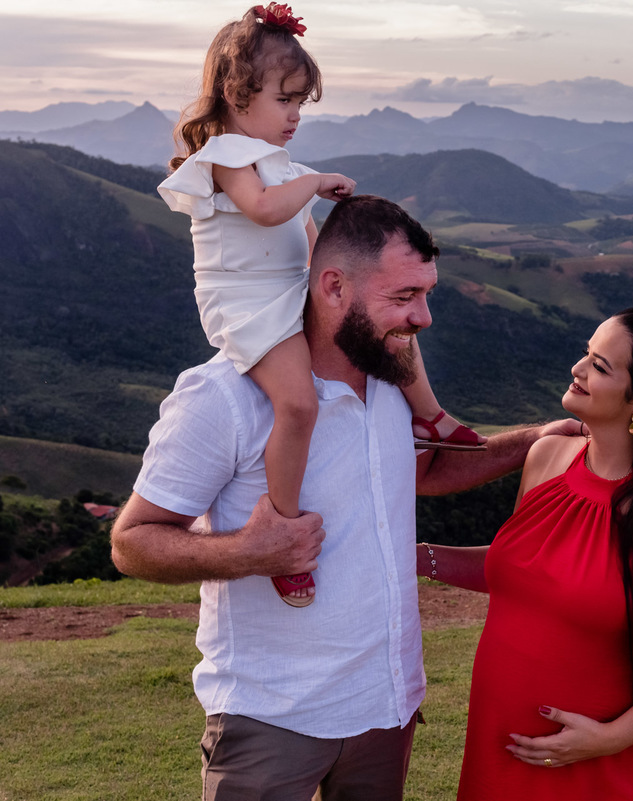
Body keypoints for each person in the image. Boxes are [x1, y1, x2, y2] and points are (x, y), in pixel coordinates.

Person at [110, 194, 580, 800]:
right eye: (404, 296)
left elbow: (427, 468)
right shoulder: (221, 397)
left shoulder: (389, 380)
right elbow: (131, 543)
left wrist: (536, 441)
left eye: (426, 293)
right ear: (333, 287)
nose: (424, 317)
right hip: (270, 716)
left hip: (386, 708)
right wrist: (250, 552)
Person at [159, 3, 483, 608]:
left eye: (301, 104)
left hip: (288, 291)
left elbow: (305, 239)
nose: (294, 117)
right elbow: (264, 210)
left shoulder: (277, 166)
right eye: (285, 100)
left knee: (387, 324)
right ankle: (282, 531)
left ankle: (431, 416)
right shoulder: (228, 158)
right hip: (253, 307)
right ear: (236, 94)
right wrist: (312, 183)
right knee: (299, 403)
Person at [419, 307, 633, 801]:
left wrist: (609, 739)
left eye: (600, 365)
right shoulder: (546, 458)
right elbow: (524, 569)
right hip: (501, 740)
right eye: (587, 353)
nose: (578, 367)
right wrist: (417, 557)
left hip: (609, 762)